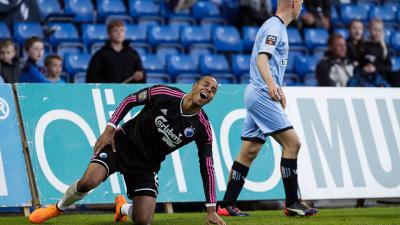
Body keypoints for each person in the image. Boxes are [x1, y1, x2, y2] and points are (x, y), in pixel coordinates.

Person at [28, 76, 226, 225]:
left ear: (211, 98)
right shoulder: (165, 94)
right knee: (89, 181)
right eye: (205, 85)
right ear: (194, 86)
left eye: (213, 90)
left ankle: (122, 207)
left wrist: (211, 209)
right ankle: (57, 208)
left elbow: (207, 167)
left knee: (143, 220)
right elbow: (130, 100)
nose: (208, 90)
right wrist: (110, 128)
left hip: (147, 165)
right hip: (121, 145)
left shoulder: (202, 127)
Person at [217, 0, 318, 217]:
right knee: (293, 143)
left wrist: (277, 88)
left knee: (249, 151)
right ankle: (292, 203)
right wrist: (272, 86)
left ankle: (226, 204)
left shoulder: (275, 26)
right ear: (292, 3)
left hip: (258, 93)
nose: (302, 7)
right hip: (262, 94)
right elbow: (263, 59)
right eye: (300, 2)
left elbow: (267, 63)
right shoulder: (275, 27)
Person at [363, 19, 392, 84]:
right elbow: (358, 62)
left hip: (380, 79)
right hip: (364, 78)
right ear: (369, 29)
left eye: (379, 30)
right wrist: (364, 68)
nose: (377, 32)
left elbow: (389, 67)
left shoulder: (384, 46)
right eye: (375, 29)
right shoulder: (363, 44)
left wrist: (375, 68)